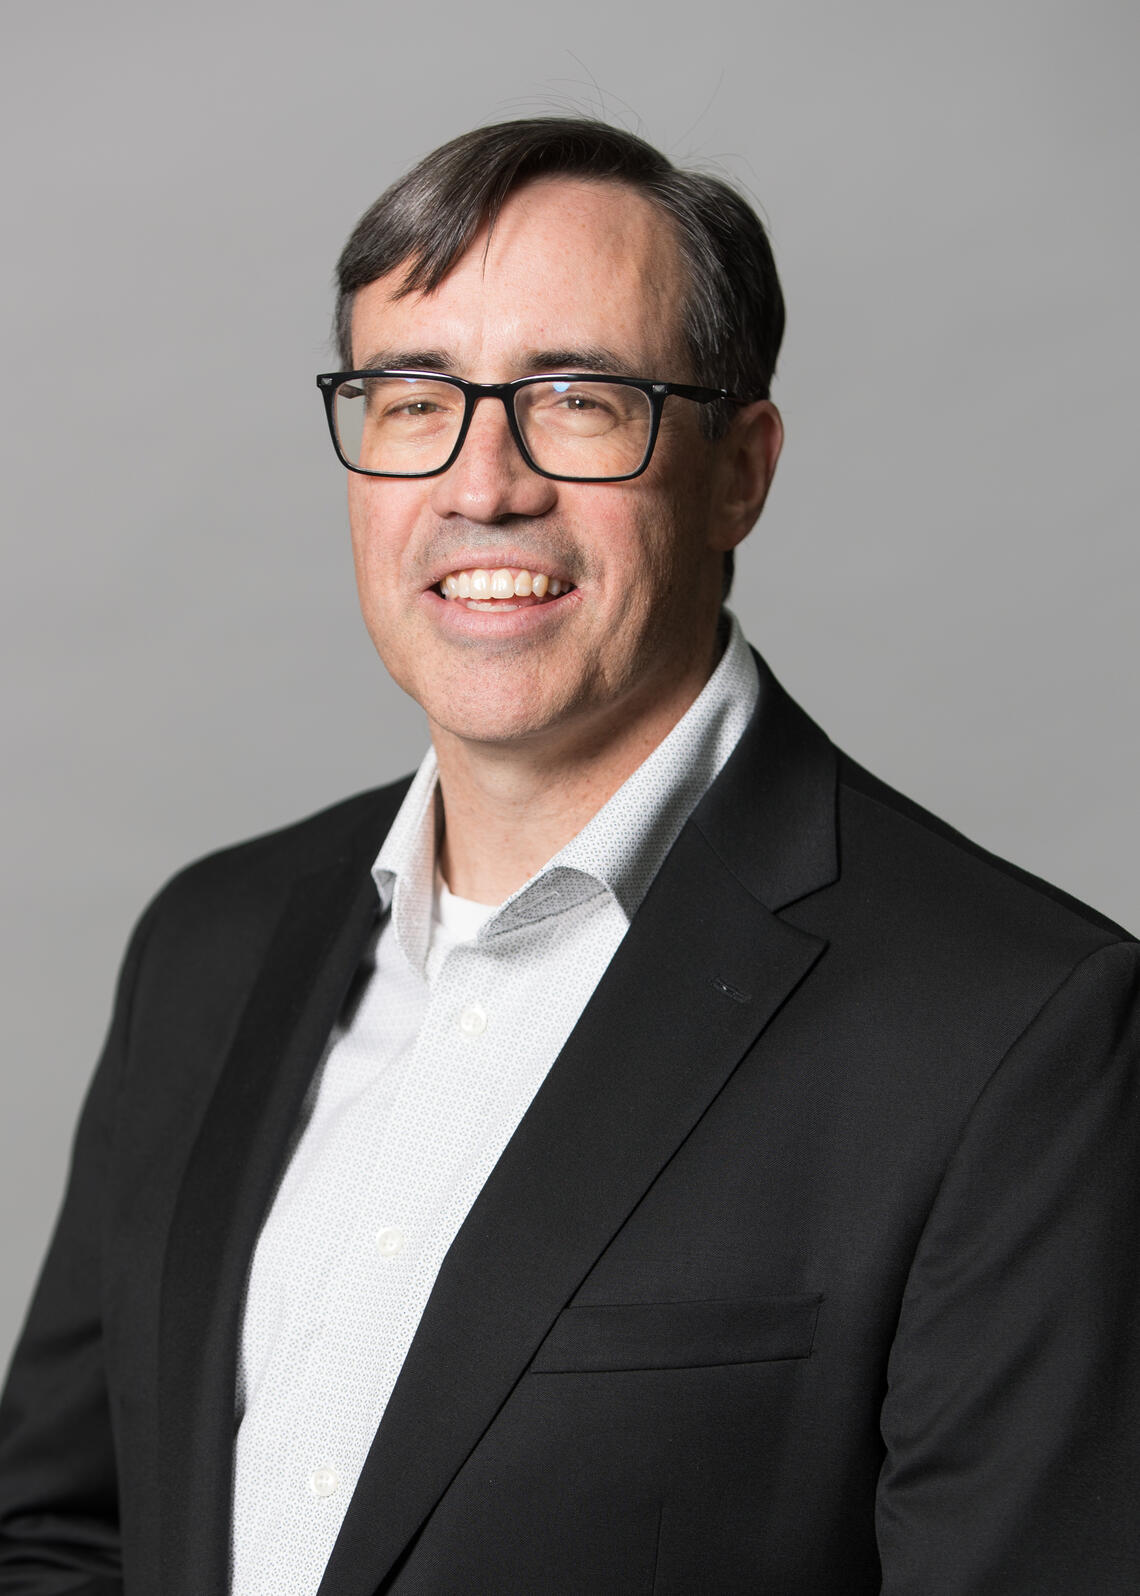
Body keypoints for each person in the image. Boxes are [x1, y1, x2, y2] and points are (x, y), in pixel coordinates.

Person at [0, 117, 1137, 1596]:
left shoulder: (1018, 1038)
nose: (484, 484)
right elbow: (61, 1536)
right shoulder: (209, 944)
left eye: (577, 398)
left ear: (741, 470)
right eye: (414, 399)